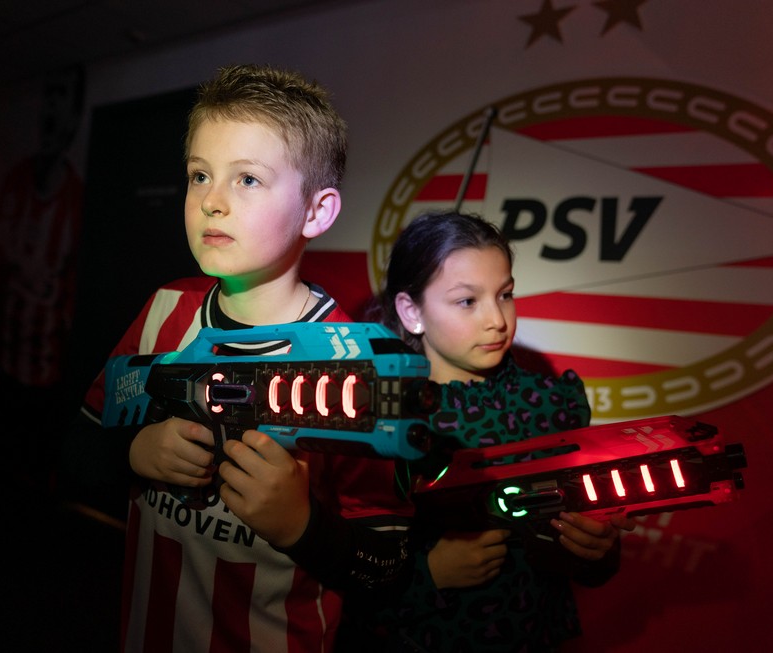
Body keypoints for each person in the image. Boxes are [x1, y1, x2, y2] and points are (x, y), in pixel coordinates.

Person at [61, 64, 413, 652]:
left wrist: (302, 526)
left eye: (247, 179)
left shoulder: (360, 366)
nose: (212, 202)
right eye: (200, 175)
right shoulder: (163, 310)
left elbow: (391, 570)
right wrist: (134, 452)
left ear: (317, 211)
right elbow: (75, 453)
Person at [338, 211, 635, 652]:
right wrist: (427, 574)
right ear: (411, 311)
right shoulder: (379, 417)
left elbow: (590, 567)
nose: (497, 319)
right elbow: (334, 570)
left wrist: (596, 549)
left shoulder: (553, 404)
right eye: (467, 301)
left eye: (505, 294)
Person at [0, 64, 86, 490]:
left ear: (74, 118)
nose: (49, 107)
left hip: (46, 386)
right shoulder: (15, 182)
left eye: (61, 96)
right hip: (6, 372)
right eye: (48, 95)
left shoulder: (76, 203)